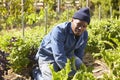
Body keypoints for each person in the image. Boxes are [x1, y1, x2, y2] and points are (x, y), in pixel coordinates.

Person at [33, 7, 91, 80]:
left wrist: (77, 71)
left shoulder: (84, 34)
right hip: (48, 57)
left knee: (81, 67)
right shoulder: (59, 31)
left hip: (67, 55)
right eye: (78, 24)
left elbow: (79, 53)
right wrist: (71, 73)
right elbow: (59, 56)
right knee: (52, 78)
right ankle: (37, 73)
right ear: (72, 20)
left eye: (84, 26)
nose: (80, 28)